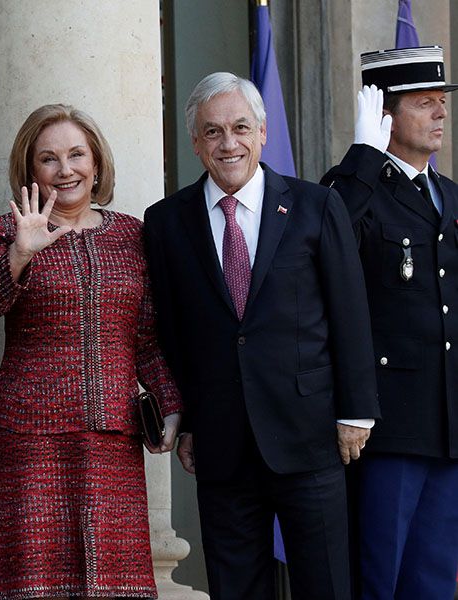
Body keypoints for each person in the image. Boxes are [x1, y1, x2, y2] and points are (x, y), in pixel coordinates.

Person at [143, 72, 380, 600]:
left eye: (240, 128)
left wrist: (356, 411)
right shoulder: (165, 223)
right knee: (236, 587)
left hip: (311, 434)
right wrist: (184, 419)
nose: (229, 143)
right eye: (213, 132)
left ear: (263, 133)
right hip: (221, 444)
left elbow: (350, 312)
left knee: (326, 584)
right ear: (195, 142)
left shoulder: (315, 206)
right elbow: (172, 331)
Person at [0, 104, 182, 600]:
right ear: (30, 170)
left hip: (112, 432)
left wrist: (169, 403)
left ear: (97, 163)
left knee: (115, 583)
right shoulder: (6, 230)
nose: (66, 170)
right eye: (49, 159)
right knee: (37, 583)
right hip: (29, 433)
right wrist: (21, 253)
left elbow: (145, 337)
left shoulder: (132, 235)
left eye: (76, 155)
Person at [321, 45, 458, 600]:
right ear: (386, 115)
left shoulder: (448, 195)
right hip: (386, 424)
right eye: (425, 103)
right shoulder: (353, 187)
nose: (441, 114)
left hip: (445, 421)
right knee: (378, 576)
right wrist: (360, 159)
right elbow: (324, 250)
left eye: (441, 103)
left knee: (433, 578)